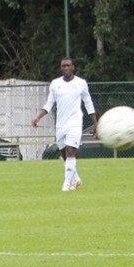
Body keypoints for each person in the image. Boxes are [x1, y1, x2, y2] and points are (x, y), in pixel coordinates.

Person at [32, 57, 97, 191]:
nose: (66, 68)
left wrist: (96, 124)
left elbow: (88, 103)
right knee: (64, 154)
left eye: (68, 65)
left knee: (70, 150)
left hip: (75, 123)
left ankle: (66, 184)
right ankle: (76, 179)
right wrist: (38, 117)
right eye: (63, 66)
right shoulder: (55, 84)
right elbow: (49, 104)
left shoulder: (81, 83)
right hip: (60, 124)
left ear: (73, 67)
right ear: (61, 68)